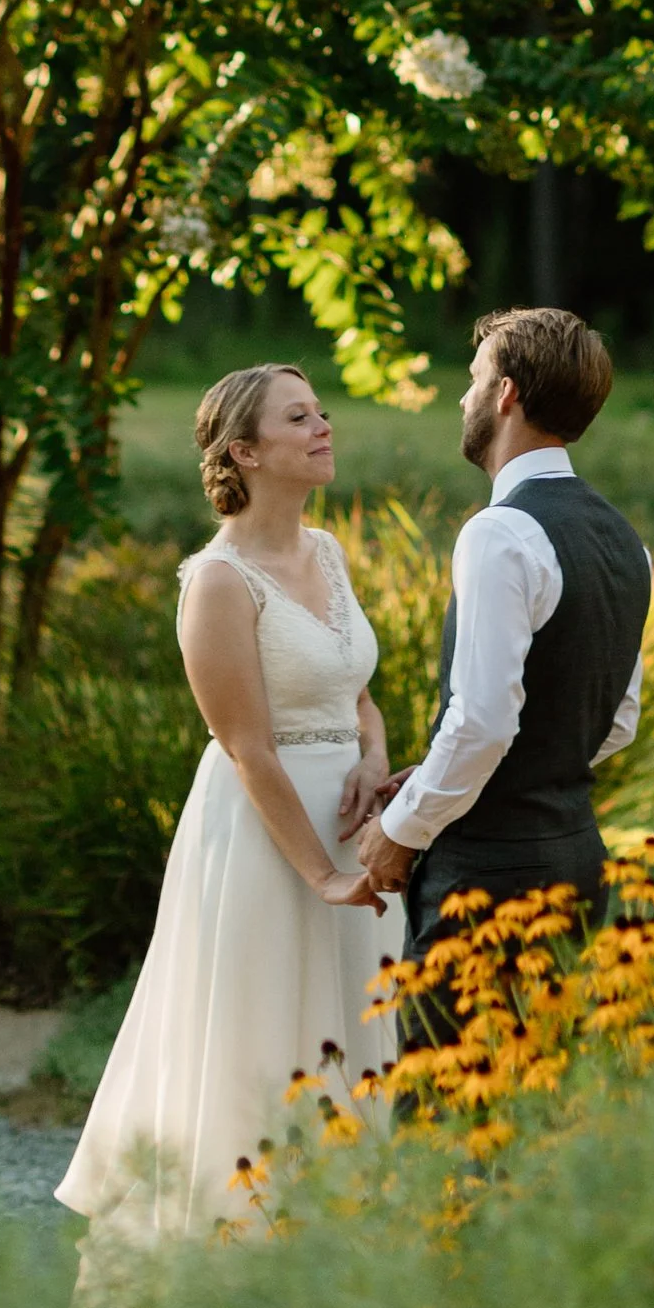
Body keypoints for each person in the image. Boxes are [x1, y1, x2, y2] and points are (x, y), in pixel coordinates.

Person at [55, 363, 400, 1244]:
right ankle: (235, 1253)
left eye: (321, 411)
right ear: (244, 452)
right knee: (260, 1036)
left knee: (354, 1035)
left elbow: (357, 689)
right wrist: (322, 874)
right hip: (264, 837)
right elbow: (247, 745)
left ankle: (342, 1246)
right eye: (299, 417)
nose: (324, 425)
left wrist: (374, 757)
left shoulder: (327, 553)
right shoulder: (216, 582)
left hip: (355, 830)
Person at [352, 305, 652, 995]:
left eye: (473, 377)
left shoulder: (501, 532)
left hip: (485, 877)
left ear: (506, 393)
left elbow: (483, 721)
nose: (464, 397)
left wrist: (405, 825)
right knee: (537, 1092)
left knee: (443, 1095)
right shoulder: (623, 540)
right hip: (576, 858)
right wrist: (444, 774)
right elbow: (615, 719)